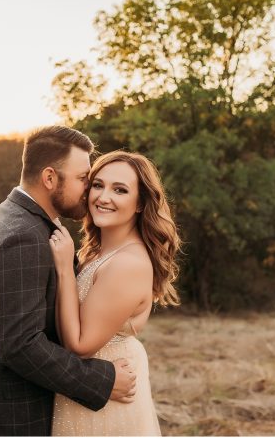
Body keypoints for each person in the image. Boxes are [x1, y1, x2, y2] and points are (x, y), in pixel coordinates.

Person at [0, 126, 136, 436]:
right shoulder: (24, 237)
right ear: (50, 178)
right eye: (82, 179)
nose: (89, 190)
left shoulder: (20, 215)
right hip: (3, 417)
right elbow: (20, 345)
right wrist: (100, 380)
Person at [49, 151, 180, 436]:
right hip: (86, 390)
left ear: (139, 204)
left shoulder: (128, 263)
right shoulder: (100, 251)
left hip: (106, 398)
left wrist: (62, 269)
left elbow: (81, 345)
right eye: (98, 185)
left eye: (119, 190)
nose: (103, 197)